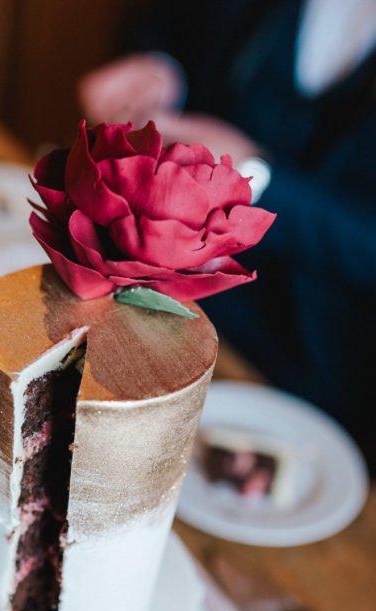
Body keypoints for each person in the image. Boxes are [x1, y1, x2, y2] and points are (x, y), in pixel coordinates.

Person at [79, 0, 376, 469]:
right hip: (164, 291)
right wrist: (158, 69)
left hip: (318, 367)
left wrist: (260, 179)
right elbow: (168, 26)